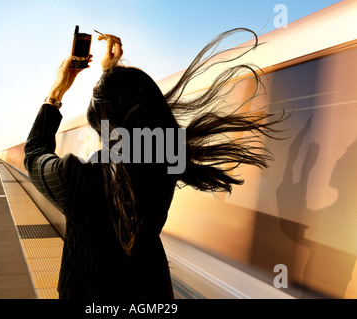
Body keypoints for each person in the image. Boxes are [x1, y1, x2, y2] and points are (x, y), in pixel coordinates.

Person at [24, 28, 286, 299]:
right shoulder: (164, 164)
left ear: (100, 121)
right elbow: (134, 134)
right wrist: (110, 76)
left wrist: (58, 90)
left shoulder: (75, 178)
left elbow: (34, 153)